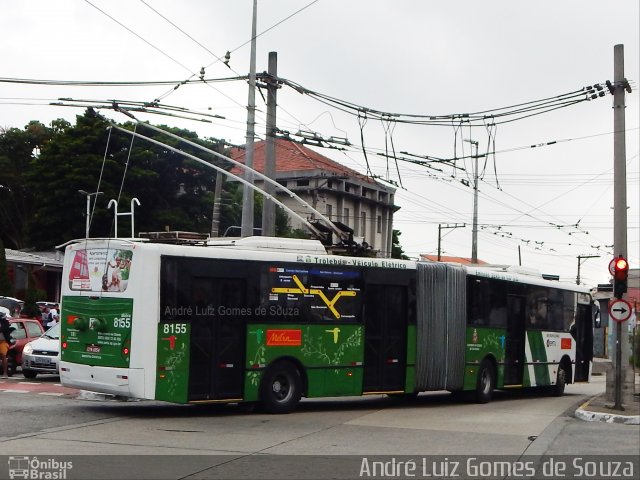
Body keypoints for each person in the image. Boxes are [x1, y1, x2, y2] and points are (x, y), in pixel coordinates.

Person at [0, 312, 16, 379]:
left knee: (4, 356)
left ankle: (5, 373)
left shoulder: (5, 322)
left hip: (3, 341)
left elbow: (5, 329)